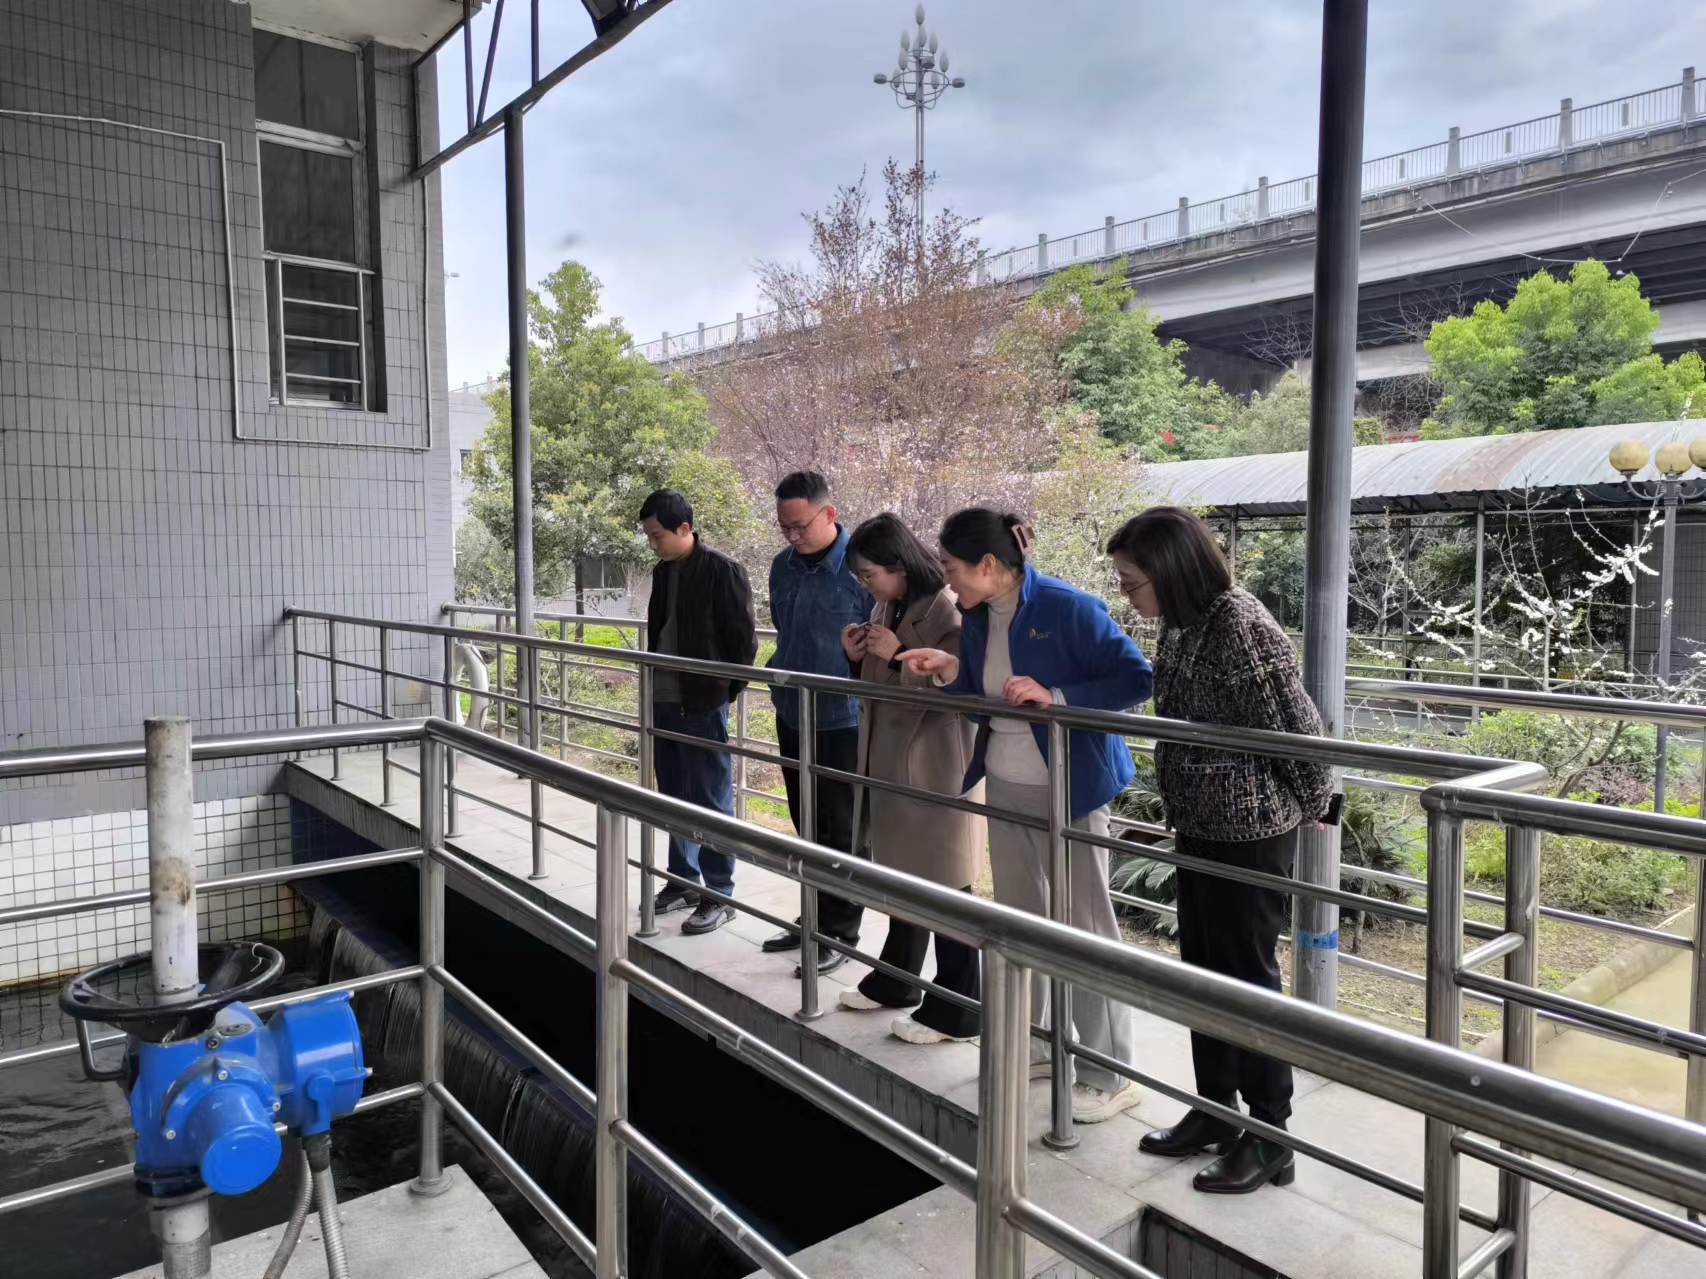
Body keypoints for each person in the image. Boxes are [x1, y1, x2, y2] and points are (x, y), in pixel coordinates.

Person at [1106, 506, 1336, 1195]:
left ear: (1171, 571)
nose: (1127, 594)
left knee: (1245, 978)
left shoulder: (1239, 624)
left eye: (1132, 581)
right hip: (1201, 824)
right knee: (1203, 971)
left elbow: (1296, 726)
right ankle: (1215, 1109)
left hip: (1251, 831)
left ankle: (1271, 1134)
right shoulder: (1183, 623)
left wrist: (1319, 801)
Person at [900, 508, 1153, 1123]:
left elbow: (1136, 679)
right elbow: (982, 700)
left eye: (952, 567)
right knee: (1020, 920)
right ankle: (1039, 1045)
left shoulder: (1069, 607)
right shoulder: (977, 615)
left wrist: (1057, 697)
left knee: (1085, 926)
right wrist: (948, 671)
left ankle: (1110, 1072)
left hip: (1070, 789)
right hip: (1006, 783)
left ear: (988, 564)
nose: (946, 579)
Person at [837, 514, 985, 1044]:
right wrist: (856, 658)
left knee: (947, 882)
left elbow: (960, 686)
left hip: (934, 762)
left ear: (898, 566)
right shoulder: (890, 605)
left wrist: (896, 655)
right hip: (893, 757)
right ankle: (897, 980)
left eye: (869, 574)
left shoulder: (947, 607)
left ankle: (960, 1008)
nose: (866, 586)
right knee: (904, 874)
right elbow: (882, 680)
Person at [761, 471, 873, 975]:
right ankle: (814, 914)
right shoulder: (781, 566)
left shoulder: (859, 568)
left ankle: (841, 932)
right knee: (804, 822)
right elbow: (784, 627)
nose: (792, 536)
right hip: (792, 711)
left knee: (842, 829)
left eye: (800, 526)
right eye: (784, 527)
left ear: (829, 514)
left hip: (842, 717)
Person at [638, 488, 759, 936]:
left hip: (703, 700)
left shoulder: (722, 571)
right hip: (664, 698)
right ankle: (683, 880)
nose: (653, 543)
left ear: (684, 528)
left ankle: (719, 893)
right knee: (672, 793)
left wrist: (723, 692)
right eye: (649, 536)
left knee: (710, 798)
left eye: (657, 535)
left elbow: (743, 643)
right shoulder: (663, 571)